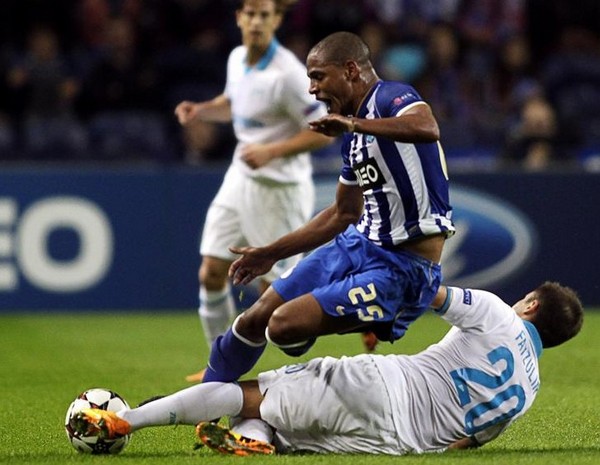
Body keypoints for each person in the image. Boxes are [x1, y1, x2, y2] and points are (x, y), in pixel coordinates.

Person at [196, 30, 455, 384]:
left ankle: (380, 313)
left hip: (404, 267)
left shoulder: (390, 97)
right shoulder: (353, 140)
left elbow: (427, 126)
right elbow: (341, 213)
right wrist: (270, 253)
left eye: (318, 77)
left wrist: (352, 123)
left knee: (283, 326)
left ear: (350, 70)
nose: (312, 89)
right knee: (254, 318)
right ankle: (203, 396)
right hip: (357, 244)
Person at [70, 281, 584, 456]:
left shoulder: (496, 313)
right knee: (277, 425)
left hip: (384, 385)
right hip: (395, 444)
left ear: (532, 305)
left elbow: (425, 290)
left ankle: (123, 420)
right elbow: (463, 443)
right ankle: (255, 441)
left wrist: (363, 304)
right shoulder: (529, 391)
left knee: (247, 393)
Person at [173, 0, 333, 381]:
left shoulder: (288, 74)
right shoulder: (236, 59)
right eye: (251, 14)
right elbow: (234, 103)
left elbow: (325, 129)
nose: (257, 21)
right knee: (211, 272)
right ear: (239, 18)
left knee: (272, 295)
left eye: (265, 15)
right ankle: (218, 365)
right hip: (240, 178)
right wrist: (201, 110)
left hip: (280, 190)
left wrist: (271, 151)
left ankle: (335, 328)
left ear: (276, 20)